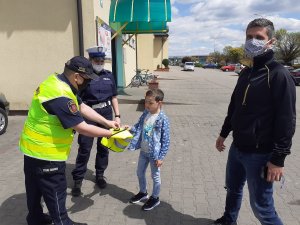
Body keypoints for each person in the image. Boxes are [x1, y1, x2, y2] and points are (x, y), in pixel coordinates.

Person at [214, 18, 296, 225]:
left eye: (259, 37)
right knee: (232, 189)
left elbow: (286, 120)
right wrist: (224, 134)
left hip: (260, 154)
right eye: (249, 37)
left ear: (271, 41)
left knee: (262, 209)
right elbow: (234, 106)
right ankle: (228, 220)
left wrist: (278, 159)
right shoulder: (246, 72)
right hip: (237, 148)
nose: (252, 41)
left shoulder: (279, 74)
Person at [19, 56, 119, 225]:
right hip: (47, 156)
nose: (87, 83)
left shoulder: (56, 82)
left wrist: (107, 122)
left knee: (34, 192)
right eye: (86, 79)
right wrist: (110, 133)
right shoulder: (61, 95)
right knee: (56, 197)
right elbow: (82, 127)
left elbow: (81, 106)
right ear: (76, 77)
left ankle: (35, 219)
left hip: (32, 150)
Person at [71, 46, 120, 196]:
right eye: (96, 60)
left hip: (106, 113)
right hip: (89, 114)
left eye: (101, 60)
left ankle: (100, 174)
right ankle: (78, 180)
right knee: (85, 148)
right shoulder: (85, 77)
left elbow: (114, 97)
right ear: (91, 61)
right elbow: (78, 99)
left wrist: (117, 115)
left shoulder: (109, 75)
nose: (99, 62)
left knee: (104, 146)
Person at [127, 89, 170, 211]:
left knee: (155, 176)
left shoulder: (163, 119)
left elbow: (166, 140)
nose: (147, 105)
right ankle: (143, 192)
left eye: (150, 103)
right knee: (140, 173)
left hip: (154, 154)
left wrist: (161, 157)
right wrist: (129, 128)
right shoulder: (146, 113)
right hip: (143, 151)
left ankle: (155, 197)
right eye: (146, 102)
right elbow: (138, 126)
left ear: (159, 103)